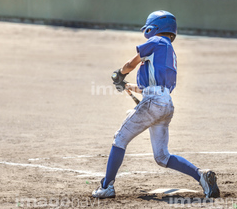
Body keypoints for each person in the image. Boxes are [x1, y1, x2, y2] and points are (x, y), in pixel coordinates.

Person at [92, 10, 220, 199]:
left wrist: (119, 73)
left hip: (153, 103)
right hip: (165, 104)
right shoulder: (168, 51)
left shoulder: (156, 42)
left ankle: (106, 186)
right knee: (162, 157)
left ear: (154, 28)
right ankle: (201, 176)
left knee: (120, 139)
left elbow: (130, 64)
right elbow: (150, 88)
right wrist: (126, 85)